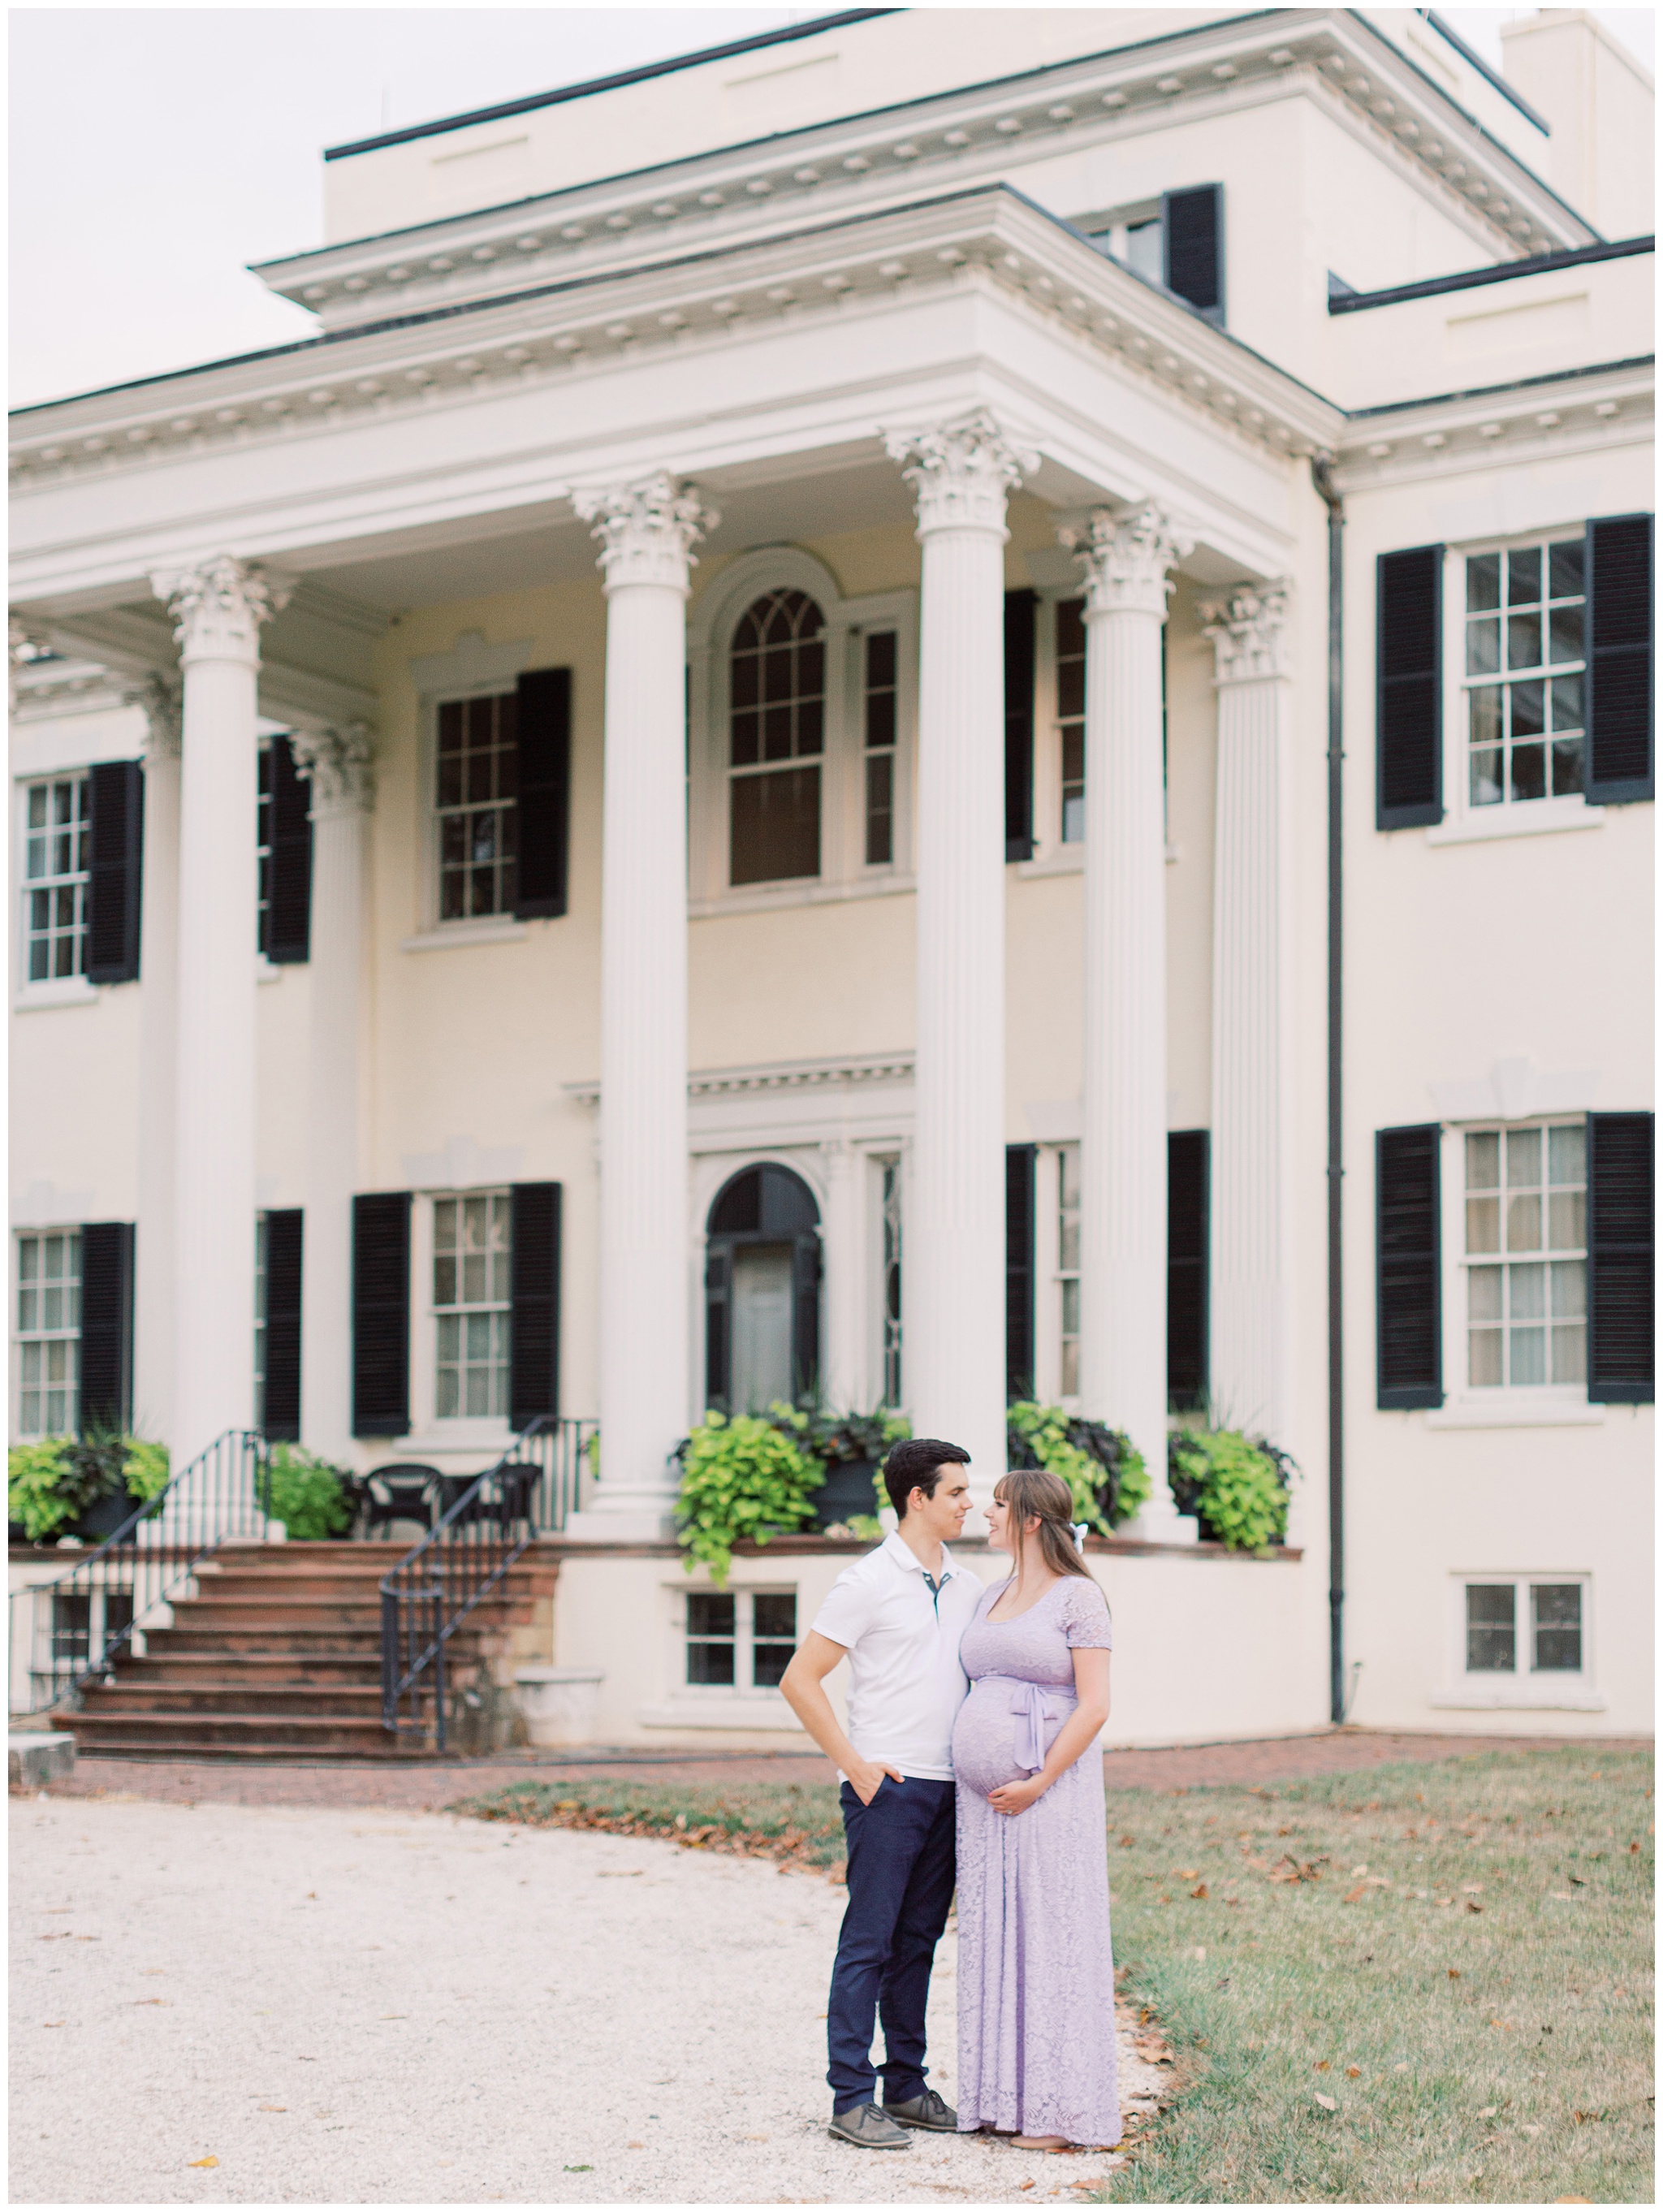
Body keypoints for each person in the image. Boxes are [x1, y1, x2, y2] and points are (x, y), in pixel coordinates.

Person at [780, 1438, 983, 2151]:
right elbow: (800, 1680)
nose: (969, 1504)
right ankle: (850, 2098)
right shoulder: (864, 1581)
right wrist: (854, 1766)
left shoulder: (971, 1585)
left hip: (952, 1787)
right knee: (868, 1942)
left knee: (918, 1941)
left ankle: (905, 2086)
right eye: (956, 1492)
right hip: (887, 1789)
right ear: (917, 1498)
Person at [952, 1466, 1118, 2150]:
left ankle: (1058, 2113)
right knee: (995, 1936)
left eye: (997, 1505)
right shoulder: (989, 1594)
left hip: (1050, 1793)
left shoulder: (1080, 1597)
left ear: (1029, 1518)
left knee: (1049, 1936)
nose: (984, 1514)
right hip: (982, 1807)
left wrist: (1040, 1779)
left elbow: (1096, 1704)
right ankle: (1002, 2100)